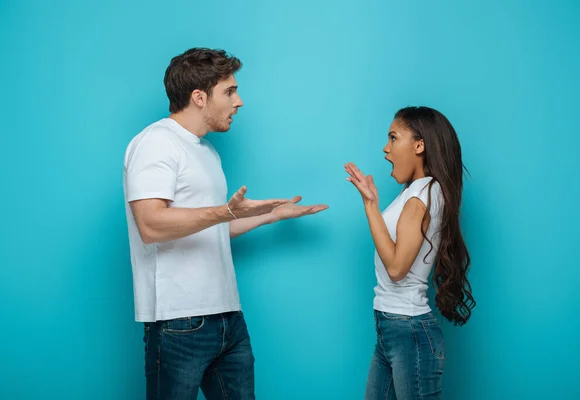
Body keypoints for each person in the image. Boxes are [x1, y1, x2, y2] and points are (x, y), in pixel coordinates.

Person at [123, 47, 328, 400]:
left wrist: (270, 216)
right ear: (199, 97)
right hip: (179, 321)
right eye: (230, 92)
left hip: (227, 317)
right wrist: (225, 212)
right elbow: (151, 225)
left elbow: (211, 229)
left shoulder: (206, 151)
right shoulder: (155, 143)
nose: (240, 101)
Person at [344, 106, 475, 400]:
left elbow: (396, 268)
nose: (385, 148)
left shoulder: (421, 195)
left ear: (419, 145)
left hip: (409, 331)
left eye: (393, 138)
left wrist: (370, 206)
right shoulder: (416, 191)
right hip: (392, 327)